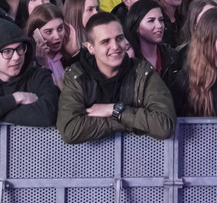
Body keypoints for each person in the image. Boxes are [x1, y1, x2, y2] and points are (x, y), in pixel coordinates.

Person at [58, 12, 176, 143]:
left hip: (137, 153)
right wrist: (126, 121)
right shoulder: (77, 76)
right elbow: (70, 130)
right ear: (91, 48)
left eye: (119, 38)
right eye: (105, 41)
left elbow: (164, 125)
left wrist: (114, 110)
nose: (115, 46)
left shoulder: (142, 72)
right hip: (89, 155)